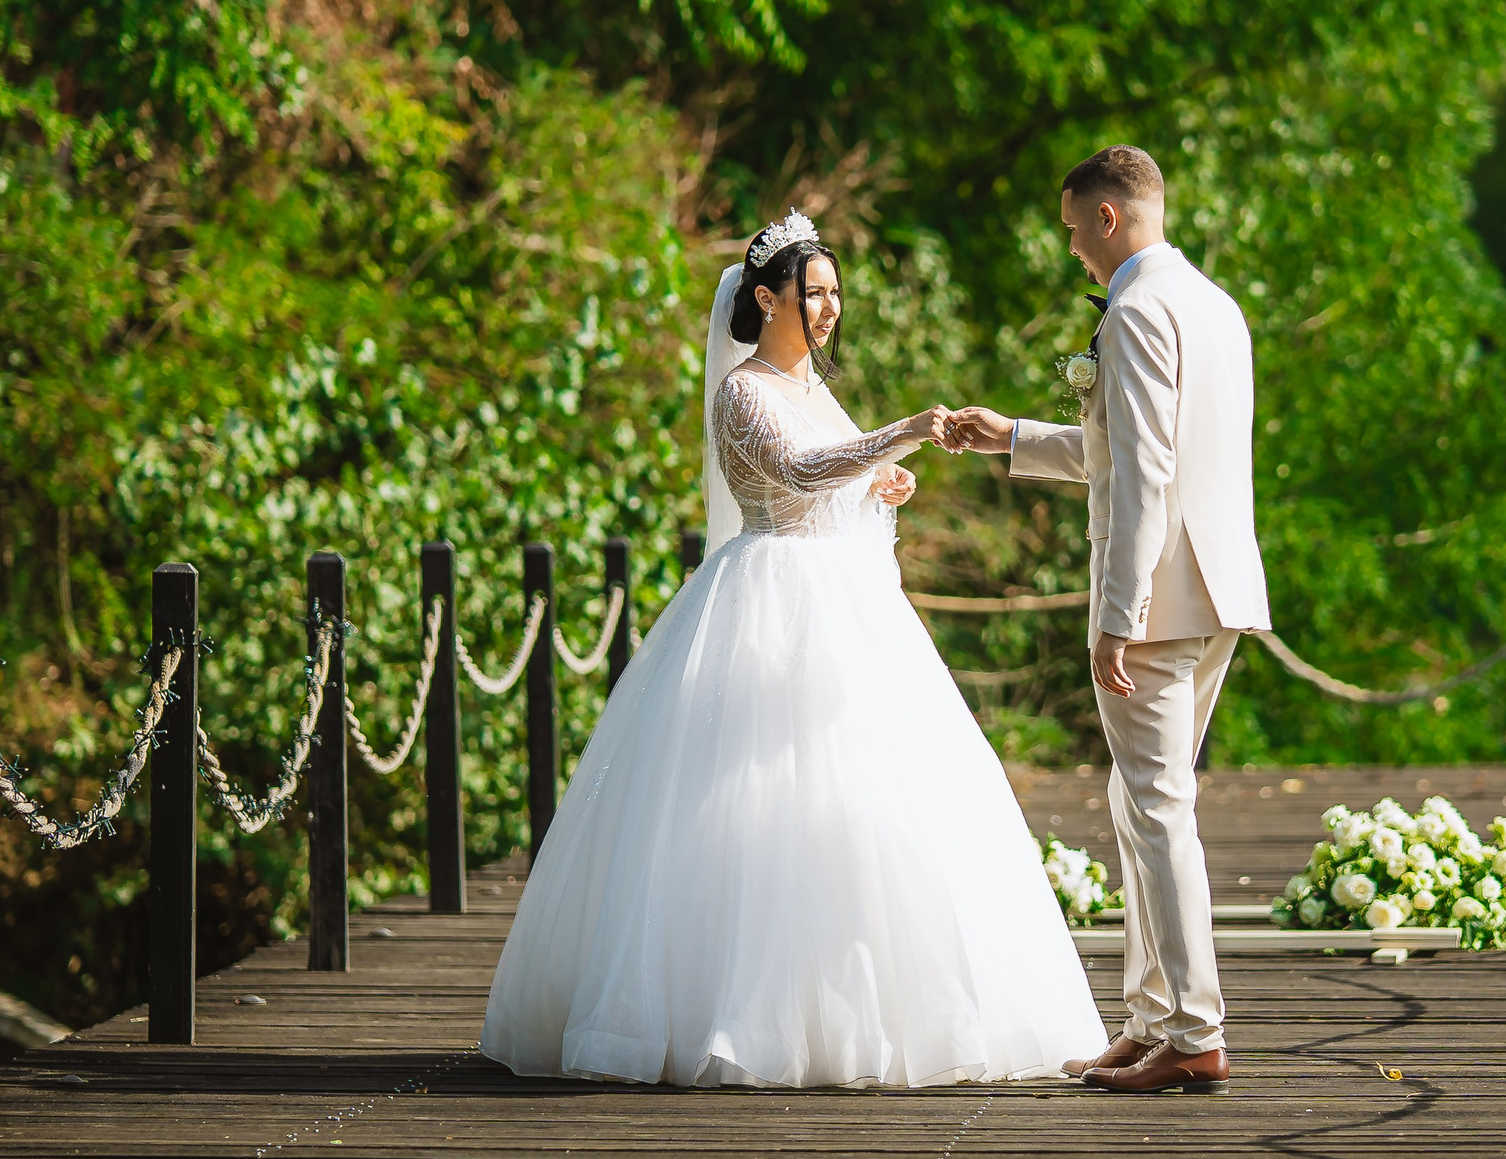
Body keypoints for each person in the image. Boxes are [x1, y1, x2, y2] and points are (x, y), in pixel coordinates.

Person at [478, 211, 1107, 1088]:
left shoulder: (817, 391)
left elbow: (836, 483)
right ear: (765, 297)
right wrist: (900, 434)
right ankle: (739, 1015)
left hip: (846, 608)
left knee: (860, 800)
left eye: (835, 291)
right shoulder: (744, 390)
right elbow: (799, 474)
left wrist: (881, 485)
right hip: (764, 602)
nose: (829, 307)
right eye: (814, 291)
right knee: (749, 798)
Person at [944, 145, 1269, 1095]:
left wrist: (1117, 617)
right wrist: (1010, 435)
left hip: (1159, 603)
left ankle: (1195, 1032)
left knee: (1159, 810)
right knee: (1141, 806)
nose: (1075, 250)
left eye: (1075, 228)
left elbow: (1146, 481)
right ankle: (1149, 1017)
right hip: (1218, 595)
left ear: (1110, 217)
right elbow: (1126, 453)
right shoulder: (1216, 306)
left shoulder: (1133, 311)